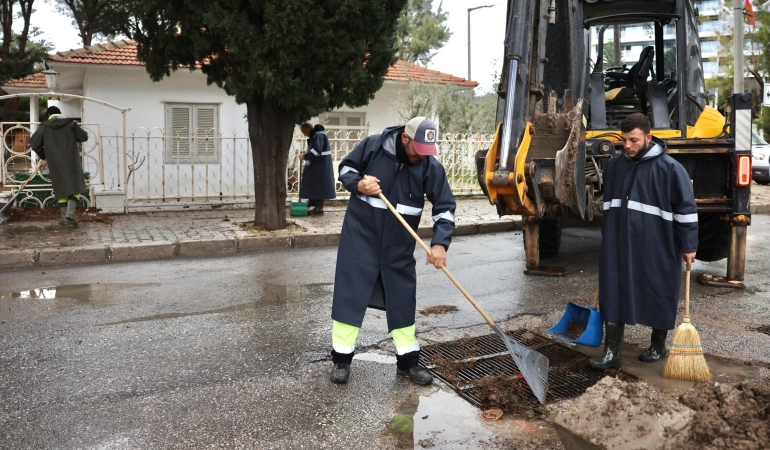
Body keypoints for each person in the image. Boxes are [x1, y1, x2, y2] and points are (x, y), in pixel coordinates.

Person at [329, 117, 456, 385]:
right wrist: (359, 185)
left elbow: (445, 207)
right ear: (405, 139)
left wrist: (439, 244)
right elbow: (345, 169)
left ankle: (408, 363)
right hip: (361, 239)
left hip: (398, 247)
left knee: (402, 301)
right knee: (349, 298)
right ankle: (341, 360)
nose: (422, 157)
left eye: (427, 152)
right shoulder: (373, 147)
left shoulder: (429, 166)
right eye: (418, 150)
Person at [590, 113, 698, 370]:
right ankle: (612, 353)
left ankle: (658, 346)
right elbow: (610, 205)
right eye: (624, 140)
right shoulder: (615, 165)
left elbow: (686, 209)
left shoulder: (671, 168)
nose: (627, 146)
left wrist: (688, 245)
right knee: (613, 290)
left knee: (658, 287)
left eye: (634, 140)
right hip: (617, 243)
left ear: (648, 138)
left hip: (656, 242)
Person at [30, 106, 89, 227]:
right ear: (60, 113)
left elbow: (34, 143)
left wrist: (44, 155)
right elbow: (83, 137)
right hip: (71, 158)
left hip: (54, 161)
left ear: (48, 115)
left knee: (60, 186)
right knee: (75, 185)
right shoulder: (71, 124)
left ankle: (64, 217)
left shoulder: (44, 127)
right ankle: (70, 215)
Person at [298, 123, 336, 214]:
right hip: (318, 164)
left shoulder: (318, 135)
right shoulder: (317, 134)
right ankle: (312, 204)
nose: (303, 134)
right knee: (313, 183)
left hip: (320, 165)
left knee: (319, 185)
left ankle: (318, 208)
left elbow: (316, 150)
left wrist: (305, 156)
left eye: (303, 132)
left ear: (307, 129)